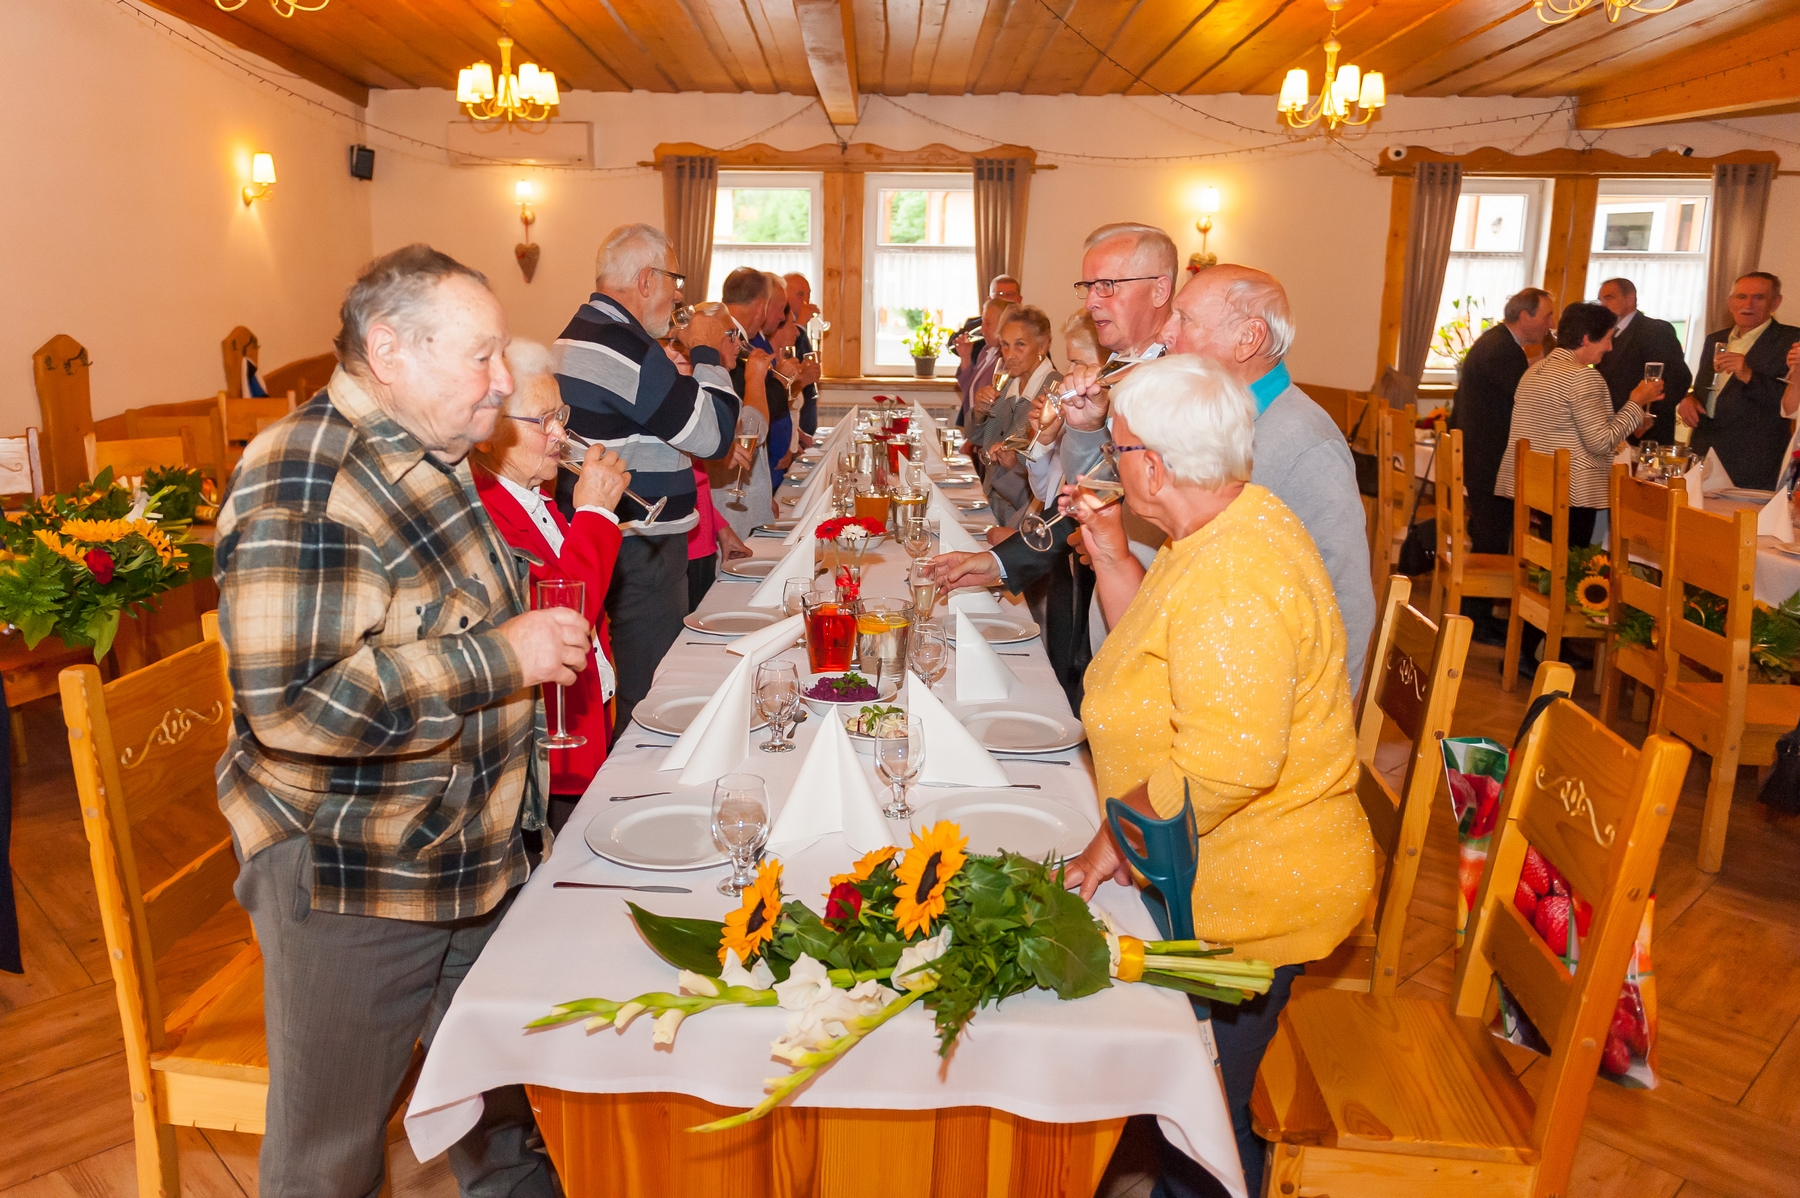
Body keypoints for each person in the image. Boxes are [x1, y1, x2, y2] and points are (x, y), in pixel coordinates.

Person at [216, 245, 589, 1197]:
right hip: (358, 871)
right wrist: (504, 658)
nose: (501, 381)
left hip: (465, 853)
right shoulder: (308, 479)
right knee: (329, 1163)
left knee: (512, 1125)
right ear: (389, 351)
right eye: (481, 356)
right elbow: (295, 702)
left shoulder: (433, 448)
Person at [1061, 355, 1375, 1198]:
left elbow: (1226, 762)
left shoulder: (1236, 576)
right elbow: (1158, 648)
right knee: (1176, 1089)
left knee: (1200, 1122)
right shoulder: (1225, 522)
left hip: (1253, 893)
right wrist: (1112, 556)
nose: (1111, 463)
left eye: (1118, 448)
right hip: (1209, 867)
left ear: (1155, 467)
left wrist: (1110, 838)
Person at [929, 261, 1377, 689]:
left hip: (1228, 703)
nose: (1166, 332)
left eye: (1185, 319)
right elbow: (1100, 491)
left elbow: (1344, 606)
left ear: (1248, 338)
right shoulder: (1195, 410)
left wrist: (1313, 730)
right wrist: (1004, 561)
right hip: (1139, 659)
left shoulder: (1307, 442)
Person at [553, 223, 739, 733]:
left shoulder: (582, 331)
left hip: (604, 535)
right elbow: (714, 436)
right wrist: (707, 355)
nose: (678, 294)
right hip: (642, 543)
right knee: (652, 694)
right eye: (675, 280)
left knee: (619, 683)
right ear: (645, 279)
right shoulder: (625, 348)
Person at [472, 339, 628, 832]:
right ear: (487, 434)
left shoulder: (534, 494)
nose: (560, 433)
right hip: (546, 754)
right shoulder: (487, 513)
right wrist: (596, 514)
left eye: (561, 415)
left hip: (584, 729)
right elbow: (562, 617)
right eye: (543, 421)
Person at [1497, 302, 1658, 549]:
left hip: (1538, 485)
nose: (1610, 347)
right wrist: (1636, 403)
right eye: (1607, 339)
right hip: (1572, 492)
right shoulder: (1583, 376)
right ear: (1586, 339)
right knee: (1574, 562)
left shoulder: (1534, 371)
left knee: (1549, 558)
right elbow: (1601, 442)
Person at [1449, 286, 1554, 567]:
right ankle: (1482, 594)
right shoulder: (1503, 350)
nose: (1551, 323)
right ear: (1525, 316)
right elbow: (1528, 403)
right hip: (1491, 463)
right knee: (1492, 542)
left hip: (1482, 457)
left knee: (1489, 536)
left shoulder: (1496, 341)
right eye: (1547, 316)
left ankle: (1479, 593)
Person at [1682, 271, 1799, 489]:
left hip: (1753, 462)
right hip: (1703, 453)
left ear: (1775, 303)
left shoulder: (1791, 341)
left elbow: (1789, 406)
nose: (1748, 304)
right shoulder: (1715, 339)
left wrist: (1748, 375)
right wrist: (1689, 399)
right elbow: (1703, 390)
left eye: (1759, 297)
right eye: (1742, 296)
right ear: (1730, 302)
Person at [966, 304, 1062, 527]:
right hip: (990, 506)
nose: (1009, 355)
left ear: (1042, 345)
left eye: (1020, 345)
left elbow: (1051, 475)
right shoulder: (1006, 382)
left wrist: (1012, 466)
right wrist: (979, 411)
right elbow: (976, 437)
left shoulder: (1055, 390)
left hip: (1023, 518)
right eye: (1005, 345)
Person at [1595, 277, 1692, 443]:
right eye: (1600, 300)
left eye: (1609, 298)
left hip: (1645, 433)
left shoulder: (1655, 330)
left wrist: (1648, 415)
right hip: (1611, 429)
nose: (1603, 305)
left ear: (1630, 298)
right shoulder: (1606, 334)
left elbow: (1678, 378)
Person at [953, 295, 1012, 428]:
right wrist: (965, 357)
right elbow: (969, 390)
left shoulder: (1006, 361)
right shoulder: (986, 351)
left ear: (1003, 325)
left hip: (987, 432)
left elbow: (996, 405)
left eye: (987, 323)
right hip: (974, 429)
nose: (982, 329)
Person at [784, 271, 824, 445]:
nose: (806, 300)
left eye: (808, 294)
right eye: (800, 294)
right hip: (792, 415)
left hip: (805, 407)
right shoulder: (784, 326)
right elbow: (788, 358)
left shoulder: (801, 325)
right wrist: (800, 323)